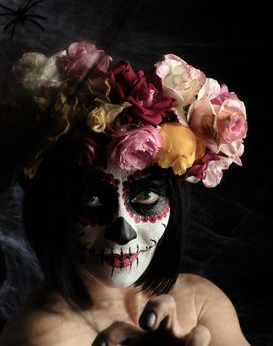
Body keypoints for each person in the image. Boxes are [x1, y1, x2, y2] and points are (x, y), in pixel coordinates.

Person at [0, 41, 249, 345]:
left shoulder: (200, 302)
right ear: (54, 206)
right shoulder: (40, 336)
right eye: (92, 199)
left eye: (145, 197)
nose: (123, 232)